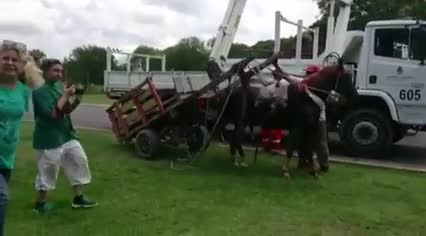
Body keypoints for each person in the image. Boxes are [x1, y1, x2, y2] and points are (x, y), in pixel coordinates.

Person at [32, 58, 97, 214]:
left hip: (67, 135)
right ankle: (40, 205)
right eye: (55, 70)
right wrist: (66, 95)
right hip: (49, 137)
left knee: (79, 161)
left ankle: (78, 198)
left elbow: (65, 110)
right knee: (48, 169)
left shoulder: (59, 88)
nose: (59, 73)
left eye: (61, 71)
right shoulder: (40, 92)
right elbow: (52, 114)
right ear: (45, 72)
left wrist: (78, 98)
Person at [0, 40, 31, 236]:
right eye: (5, 58)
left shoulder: (23, 90)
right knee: (1, 198)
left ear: (21, 65)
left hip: (6, 159)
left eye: (15, 59)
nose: (10, 62)